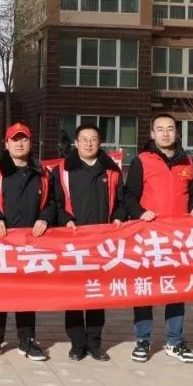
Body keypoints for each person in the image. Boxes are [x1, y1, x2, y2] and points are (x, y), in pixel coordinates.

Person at [121, 114, 193, 364]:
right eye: (160, 129)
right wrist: (139, 212)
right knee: (146, 288)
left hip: (179, 238)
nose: (165, 133)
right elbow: (129, 196)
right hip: (149, 236)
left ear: (177, 133)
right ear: (152, 134)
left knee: (175, 289)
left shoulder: (189, 162)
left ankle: (174, 341)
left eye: (170, 129)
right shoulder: (142, 161)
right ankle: (143, 340)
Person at [0, 122, 55, 362]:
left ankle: (27, 339)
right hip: (0, 241)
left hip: (30, 243)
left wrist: (44, 218)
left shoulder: (42, 173)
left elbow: (53, 202)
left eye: (24, 139)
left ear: (31, 143)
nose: (20, 144)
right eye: (15, 139)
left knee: (26, 291)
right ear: (6, 144)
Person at [50, 124, 123, 361]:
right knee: (74, 294)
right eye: (84, 139)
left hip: (101, 243)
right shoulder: (62, 170)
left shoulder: (111, 170)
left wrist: (119, 217)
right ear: (76, 143)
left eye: (93, 139)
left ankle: (94, 343)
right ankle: (77, 343)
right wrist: (66, 219)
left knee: (96, 293)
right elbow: (54, 203)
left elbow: (121, 201)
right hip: (73, 243)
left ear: (100, 142)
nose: (89, 143)